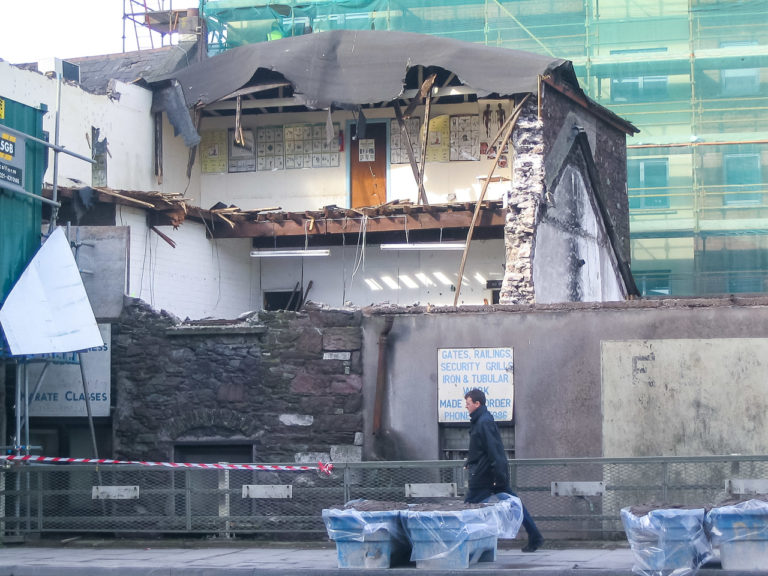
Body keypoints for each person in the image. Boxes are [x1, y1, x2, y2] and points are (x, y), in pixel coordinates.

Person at [463, 388, 544, 552]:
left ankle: (463, 544)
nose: (466, 406)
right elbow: (483, 449)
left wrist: (498, 476)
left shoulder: (483, 422)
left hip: (485, 475)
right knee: (515, 504)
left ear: (477, 404)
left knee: (467, 509)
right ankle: (535, 536)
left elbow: (494, 450)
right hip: (490, 474)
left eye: (468, 403)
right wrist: (471, 462)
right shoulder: (482, 420)